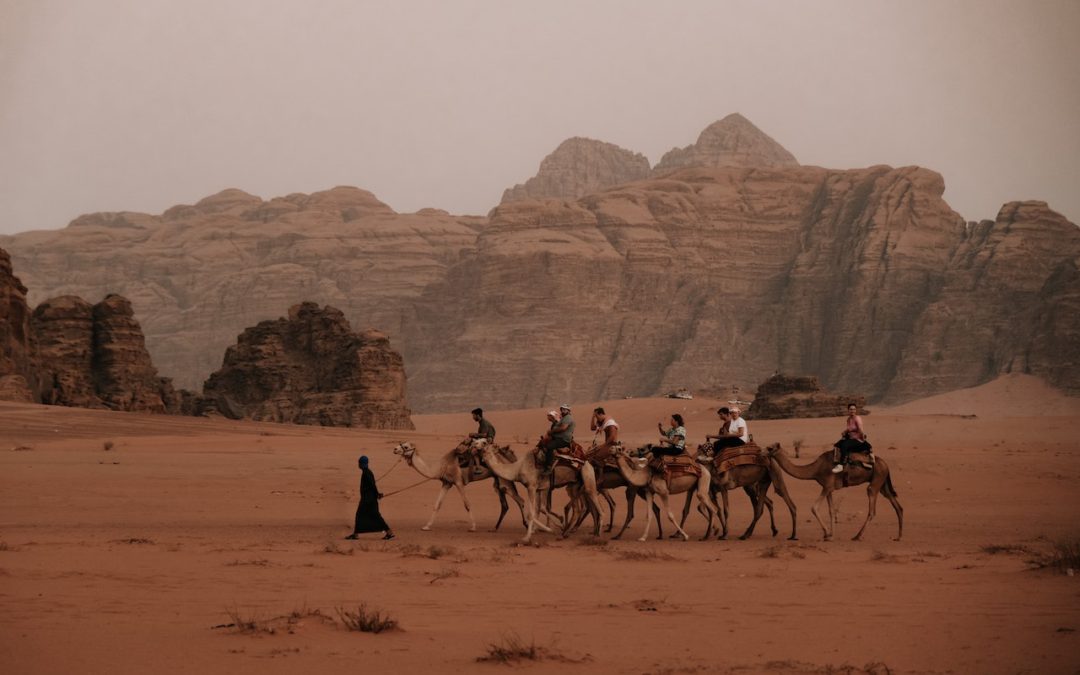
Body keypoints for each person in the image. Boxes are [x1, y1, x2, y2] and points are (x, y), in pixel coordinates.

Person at [346, 455, 394, 540]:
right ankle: (356, 534)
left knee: (366, 515)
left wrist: (377, 494)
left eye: (360, 463)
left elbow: (372, 486)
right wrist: (377, 495)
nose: (359, 465)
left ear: (360, 464)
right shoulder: (367, 472)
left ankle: (389, 533)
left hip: (368, 500)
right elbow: (373, 485)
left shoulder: (366, 473)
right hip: (369, 499)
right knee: (366, 515)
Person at [832, 402, 872, 473]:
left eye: (854, 409)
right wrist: (844, 432)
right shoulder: (849, 419)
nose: (852, 411)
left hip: (857, 439)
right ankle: (838, 460)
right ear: (848, 410)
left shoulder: (857, 418)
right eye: (851, 409)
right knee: (837, 445)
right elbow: (849, 428)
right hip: (851, 437)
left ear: (856, 410)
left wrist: (862, 438)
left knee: (844, 445)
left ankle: (841, 465)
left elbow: (860, 429)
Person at [540, 404, 575, 470]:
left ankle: (548, 466)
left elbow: (563, 428)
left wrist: (552, 431)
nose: (562, 411)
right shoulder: (564, 418)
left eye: (564, 409)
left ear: (568, 410)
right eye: (562, 409)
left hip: (563, 439)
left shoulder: (568, 418)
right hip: (558, 438)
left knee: (549, 446)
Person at [466, 407, 495, 474]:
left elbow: (484, 434)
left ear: (478, 415)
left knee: (473, 451)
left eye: (473, 415)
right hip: (484, 439)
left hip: (487, 440)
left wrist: (474, 434)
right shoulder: (481, 422)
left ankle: (478, 468)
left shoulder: (484, 423)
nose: (473, 417)